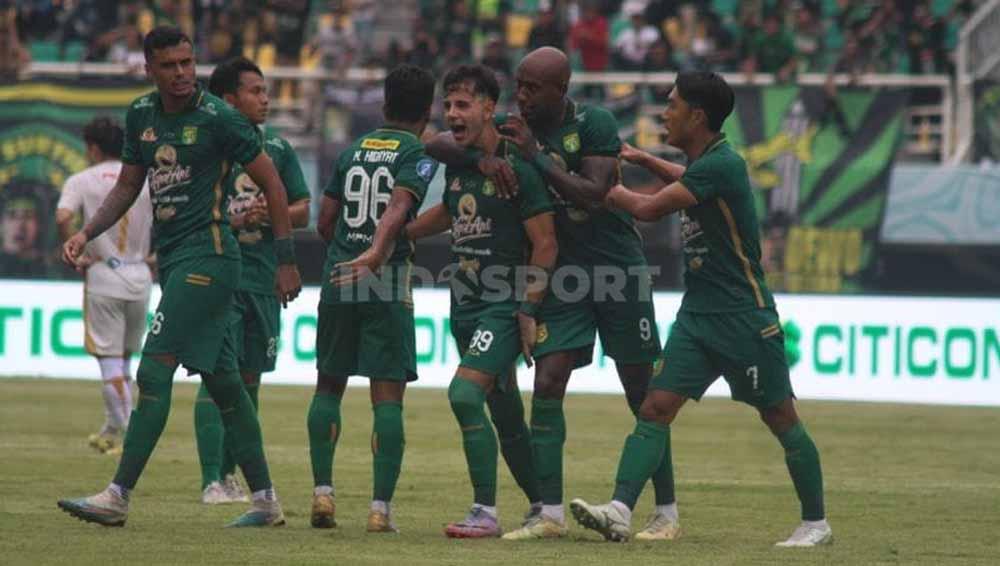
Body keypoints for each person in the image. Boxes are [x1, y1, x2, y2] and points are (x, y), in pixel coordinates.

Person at [569, 71, 832, 547]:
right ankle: (620, 510)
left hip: (743, 317)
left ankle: (816, 523)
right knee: (654, 407)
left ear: (698, 115)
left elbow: (647, 209)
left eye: (671, 105)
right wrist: (643, 156)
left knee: (780, 417)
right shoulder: (711, 164)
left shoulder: (722, 165)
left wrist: (594, 187)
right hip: (698, 317)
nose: (664, 112)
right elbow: (686, 179)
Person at [57, 25, 302, 528]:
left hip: (210, 259)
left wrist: (285, 259)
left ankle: (117, 496)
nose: (182, 74)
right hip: (176, 263)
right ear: (148, 69)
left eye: (188, 63)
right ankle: (267, 501)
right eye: (169, 66)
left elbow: (274, 185)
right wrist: (87, 232)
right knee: (227, 385)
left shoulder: (219, 118)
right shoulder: (142, 114)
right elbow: (128, 186)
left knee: (152, 370)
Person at [425, 47, 666, 541]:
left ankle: (666, 512)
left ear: (562, 89)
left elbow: (593, 194)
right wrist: (484, 159)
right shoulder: (514, 130)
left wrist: (532, 156)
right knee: (549, 380)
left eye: (533, 88)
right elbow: (438, 144)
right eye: (520, 86)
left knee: (642, 395)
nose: (523, 96)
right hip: (565, 278)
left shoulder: (593, 123)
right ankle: (549, 514)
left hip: (618, 270)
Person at [407, 64, 556, 539]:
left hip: (503, 303)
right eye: (448, 104)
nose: (452, 113)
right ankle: (541, 506)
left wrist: (529, 308)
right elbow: (449, 214)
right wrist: (399, 234)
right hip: (465, 304)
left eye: (463, 104)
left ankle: (485, 512)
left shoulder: (519, 167)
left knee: (464, 394)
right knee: (506, 413)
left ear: (490, 108)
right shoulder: (461, 162)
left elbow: (547, 243)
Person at [309, 64, 437, 533]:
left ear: (384, 105)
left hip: (340, 275)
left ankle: (323, 495)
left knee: (329, 386)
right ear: (428, 111)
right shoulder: (418, 154)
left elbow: (324, 222)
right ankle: (380, 508)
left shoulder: (351, 151)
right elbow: (402, 206)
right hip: (385, 279)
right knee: (387, 399)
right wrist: (379, 250)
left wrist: (349, 248)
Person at [192, 56, 311, 505]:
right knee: (215, 376)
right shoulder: (207, 147)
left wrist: (269, 212)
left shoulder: (277, 149)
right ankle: (211, 481)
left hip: (262, 277)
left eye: (266, 91)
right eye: (256, 91)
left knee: (250, 379)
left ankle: (232, 475)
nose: (267, 99)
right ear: (228, 99)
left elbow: (303, 208)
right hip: (219, 273)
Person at [55, 117, 153, 458]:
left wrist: (74, 249)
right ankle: (112, 429)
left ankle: (129, 436)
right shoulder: (145, 179)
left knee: (110, 362)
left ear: (94, 148)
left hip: (103, 275)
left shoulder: (82, 180)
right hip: (140, 274)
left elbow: (63, 217)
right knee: (126, 362)